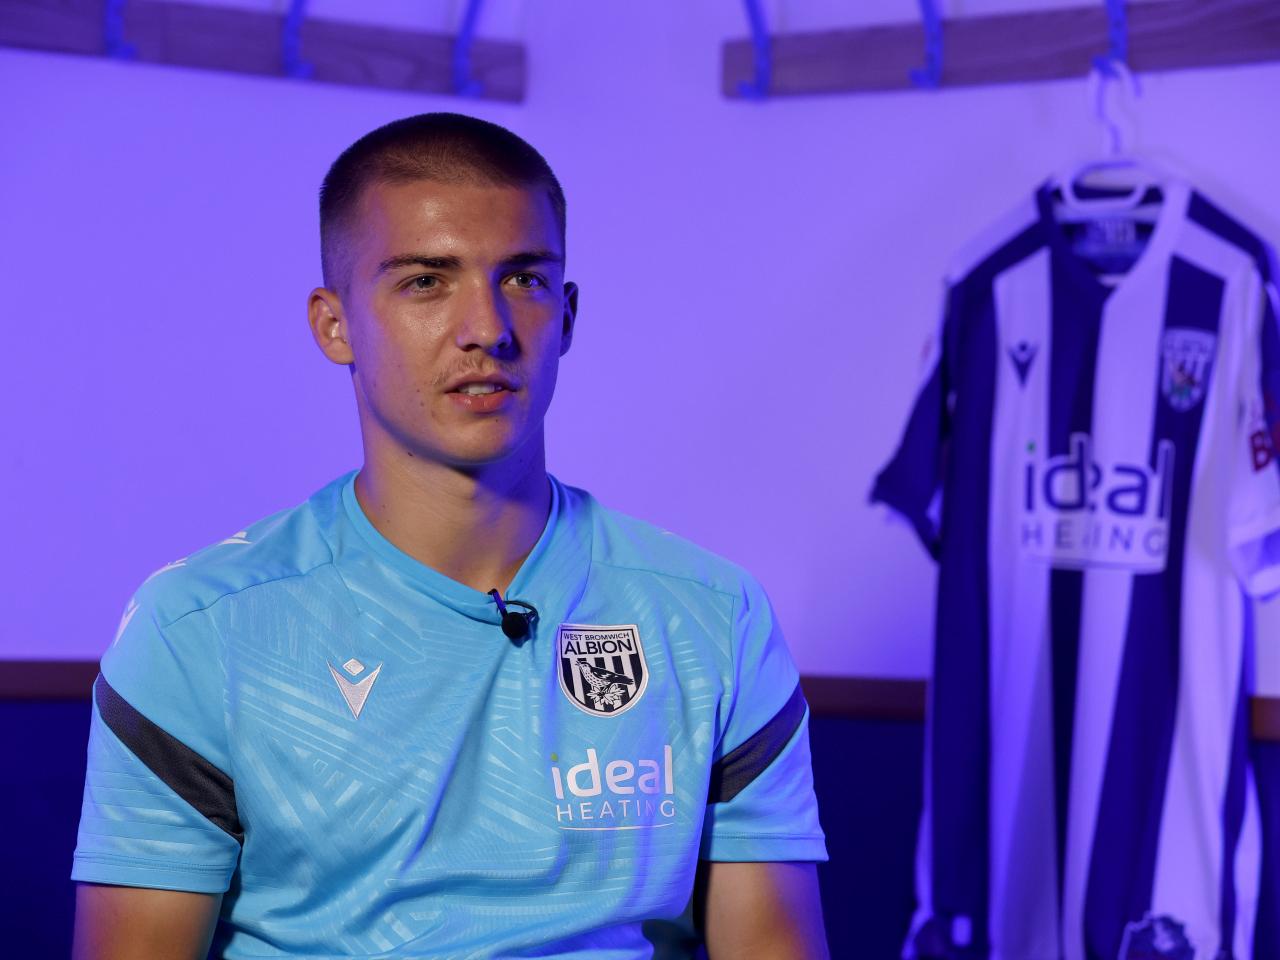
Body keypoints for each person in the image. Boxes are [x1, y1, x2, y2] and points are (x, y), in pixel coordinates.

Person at [71, 113, 830, 959]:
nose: (487, 329)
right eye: (427, 281)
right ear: (335, 325)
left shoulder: (712, 617)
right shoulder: (197, 630)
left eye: (524, 280)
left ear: (568, 314)